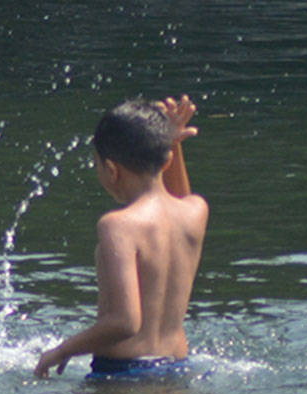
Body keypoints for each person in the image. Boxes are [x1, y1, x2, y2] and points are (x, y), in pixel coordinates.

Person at [35, 95, 208, 379]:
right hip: (178, 371)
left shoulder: (118, 226)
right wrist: (172, 144)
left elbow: (125, 322)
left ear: (112, 170)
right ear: (167, 160)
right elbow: (176, 200)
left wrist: (62, 350)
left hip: (122, 376)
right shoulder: (196, 212)